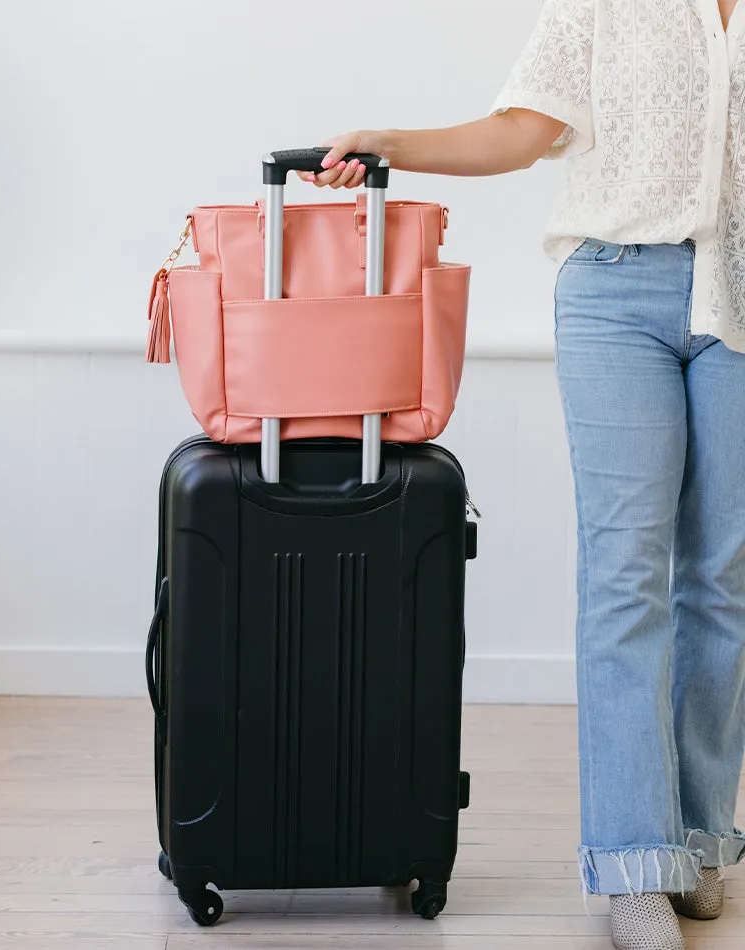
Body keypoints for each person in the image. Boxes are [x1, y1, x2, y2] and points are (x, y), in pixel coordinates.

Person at [300, 2, 745, 949]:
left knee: (721, 580)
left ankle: (701, 840)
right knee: (627, 577)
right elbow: (524, 129)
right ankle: (633, 862)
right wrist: (389, 139)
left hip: (739, 296)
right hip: (615, 291)